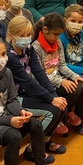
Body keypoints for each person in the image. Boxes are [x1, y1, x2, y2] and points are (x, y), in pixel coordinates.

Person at [0, 39, 63, 165]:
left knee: (34, 124)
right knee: (14, 136)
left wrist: (21, 112)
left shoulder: (6, 73)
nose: (3, 58)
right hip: (3, 121)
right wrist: (9, 120)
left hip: (6, 116)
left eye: (2, 54)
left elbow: (12, 100)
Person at [6, 16, 67, 157]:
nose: (26, 38)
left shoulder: (28, 48)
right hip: (16, 98)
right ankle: (33, 150)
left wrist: (54, 96)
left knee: (61, 104)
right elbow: (28, 82)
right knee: (53, 111)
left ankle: (45, 142)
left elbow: (39, 73)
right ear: (10, 36)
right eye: (21, 35)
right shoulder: (10, 56)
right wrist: (51, 99)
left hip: (28, 93)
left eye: (28, 35)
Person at [32, 13, 83, 136]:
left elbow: (61, 65)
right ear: (45, 30)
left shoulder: (57, 42)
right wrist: (61, 82)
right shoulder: (36, 47)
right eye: (55, 34)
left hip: (58, 77)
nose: (57, 37)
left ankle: (67, 111)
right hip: (46, 84)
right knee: (75, 90)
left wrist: (74, 76)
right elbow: (38, 76)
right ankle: (62, 114)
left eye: (59, 34)